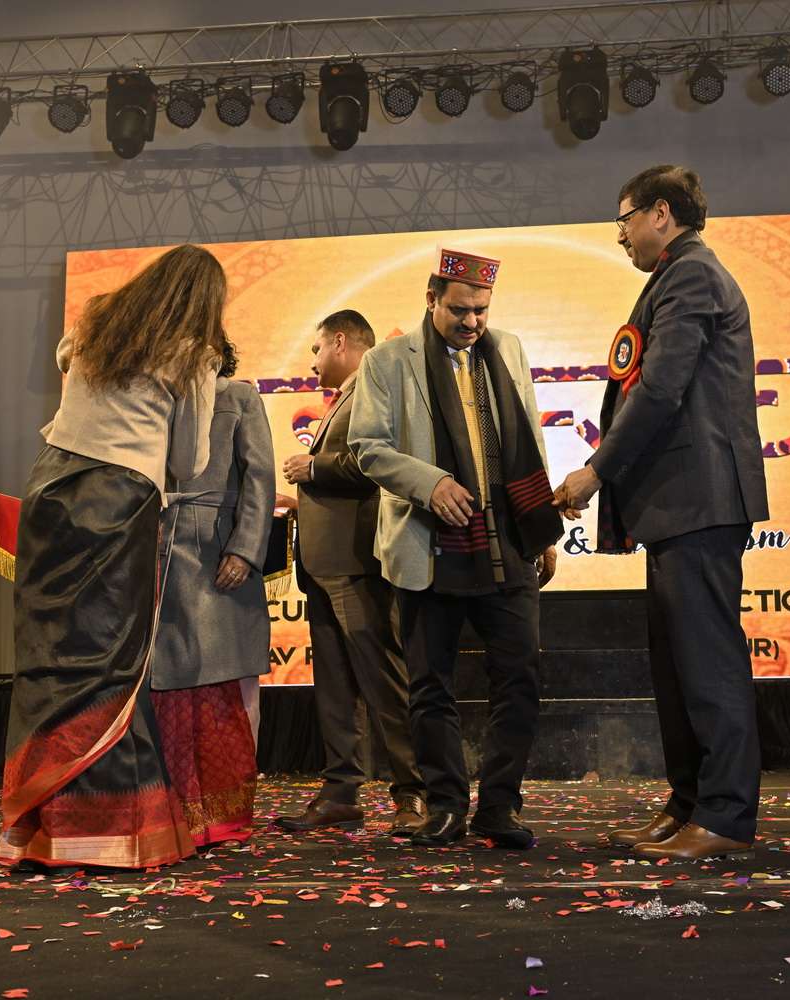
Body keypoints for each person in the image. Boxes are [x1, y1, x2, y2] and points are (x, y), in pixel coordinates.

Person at [554, 165, 768, 861]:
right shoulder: (674, 276)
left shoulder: (692, 274)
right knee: (679, 669)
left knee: (708, 664)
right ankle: (689, 804)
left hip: (700, 500)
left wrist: (597, 469)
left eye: (624, 219)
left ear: (661, 213)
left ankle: (726, 815)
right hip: (678, 505)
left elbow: (661, 388)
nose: (619, 235)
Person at [0, 245, 225, 870]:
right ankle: (102, 824)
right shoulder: (193, 353)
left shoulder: (97, 318)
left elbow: (63, 359)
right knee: (106, 661)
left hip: (49, 488)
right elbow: (190, 461)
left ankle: (38, 823)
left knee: (50, 652)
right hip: (116, 499)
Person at [349, 249, 561, 849]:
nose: (473, 322)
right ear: (431, 300)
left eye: (481, 310)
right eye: (460, 310)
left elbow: (530, 437)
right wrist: (431, 483)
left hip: (508, 541)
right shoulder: (388, 361)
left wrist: (542, 526)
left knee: (519, 680)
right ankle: (444, 806)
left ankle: (499, 806)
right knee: (430, 687)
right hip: (429, 546)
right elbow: (367, 446)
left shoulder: (508, 348)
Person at [276, 309, 426, 836]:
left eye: (317, 349)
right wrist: (300, 502)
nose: (313, 362)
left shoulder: (376, 385)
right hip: (322, 565)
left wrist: (312, 468)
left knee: (384, 683)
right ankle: (340, 793)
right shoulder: (344, 396)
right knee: (336, 689)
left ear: (340, 342)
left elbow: (381, 462)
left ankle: (414, 792)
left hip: (357, 564)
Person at [150, 340, 275, 850]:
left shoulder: (239, 397)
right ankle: (173, 809)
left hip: (217, 552)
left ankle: (226, 811)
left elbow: (260, 479)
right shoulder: (155, 398)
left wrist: (244, 550)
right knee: (166, 685)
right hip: (161, 550)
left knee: (231, 685)